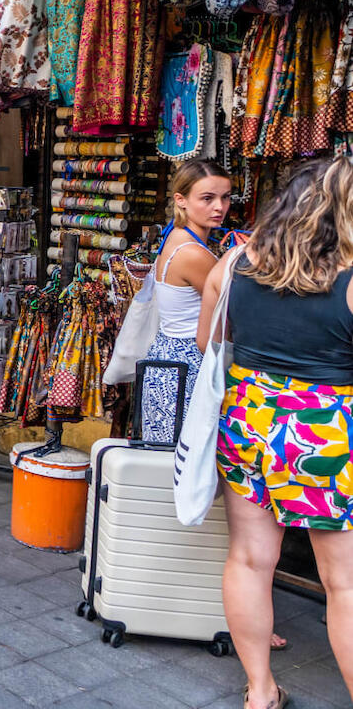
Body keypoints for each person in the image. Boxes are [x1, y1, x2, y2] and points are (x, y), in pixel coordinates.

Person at [199, 157, 353, 709]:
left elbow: (208, 344)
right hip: (323, 428)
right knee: (345, 585)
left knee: (248, 559)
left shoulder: (237, 260)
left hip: (247, 416)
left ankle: (260, 691)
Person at [139, 159, 232, 443]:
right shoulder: (193, 253)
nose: (219, 207)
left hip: (170, 357)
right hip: (188, 362)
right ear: (181, 200)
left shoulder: (177, 239)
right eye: (207, 198)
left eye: (225, 197)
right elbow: (229, 310)